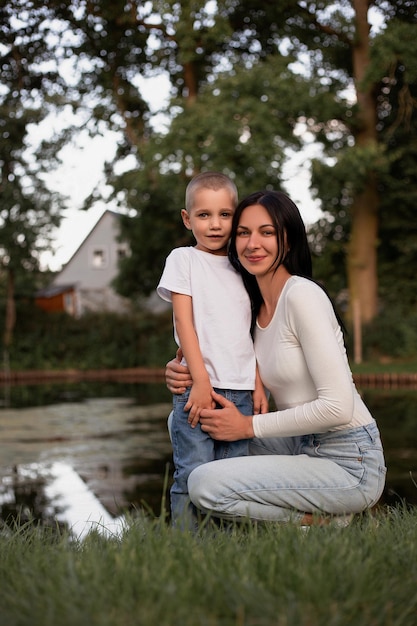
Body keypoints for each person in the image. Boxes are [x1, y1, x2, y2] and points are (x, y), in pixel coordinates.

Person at [165, 189, 386, 526]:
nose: (253, 243)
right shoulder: (253, 308)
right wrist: (184, 373)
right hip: (298, 445)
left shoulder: (302, 296)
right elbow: (228, 366)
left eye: (267, 232)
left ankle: (324, 521)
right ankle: (319, 514)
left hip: (348, 459)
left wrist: (246, 426)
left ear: (289, 238)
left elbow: (337, 407)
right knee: (188, 422)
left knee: (204, 483)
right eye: (244, 232)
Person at [157, 173, 268, 528]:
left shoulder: (245, 266)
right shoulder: (183, 259)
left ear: (237, 218)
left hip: (241, 391)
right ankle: (186, 547)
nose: (215, 224)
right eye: (204, 215)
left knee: (231, 477)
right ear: (187, 219)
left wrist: (258, 383)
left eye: (225, 214)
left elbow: (250, 332)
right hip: (198, 387)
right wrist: (201, 381)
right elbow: (184, 323)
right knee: (193, 471)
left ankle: (226, 547)